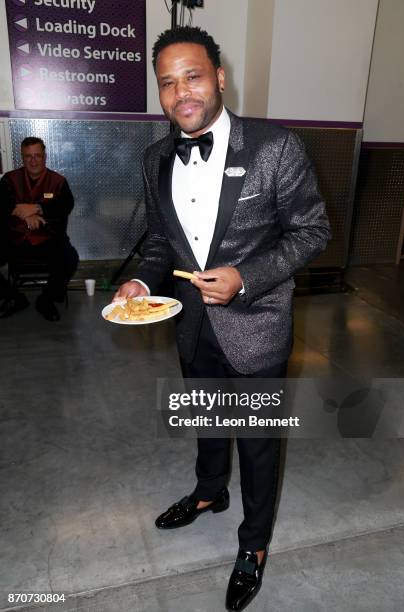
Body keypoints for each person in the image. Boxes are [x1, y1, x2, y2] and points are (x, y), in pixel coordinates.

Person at [114, 27, 331, 610]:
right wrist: (141, 279)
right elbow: (161, 244)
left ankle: (253, 545)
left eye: (193, 75)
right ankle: (210, 492)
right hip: (189, 325)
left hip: (256, 326)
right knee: (206, 420)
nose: (181, 91)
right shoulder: (155, 158)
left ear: (219, 77)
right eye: (167, 82)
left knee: (258, 443)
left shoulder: (274, 147)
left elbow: (313, 230)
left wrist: (247, 276)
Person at [0, 137, 78, 321]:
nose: (33, 161)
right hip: (14, 239)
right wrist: (22, 213)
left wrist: (38, 208)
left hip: (47, 240)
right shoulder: (9, 179)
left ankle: (46, 299)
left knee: (69, 258)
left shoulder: (58, 181)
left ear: (45, 157)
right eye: (28, 157)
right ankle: (14, 297)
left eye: (37, 156)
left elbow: (65, 206)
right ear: (22, 157)